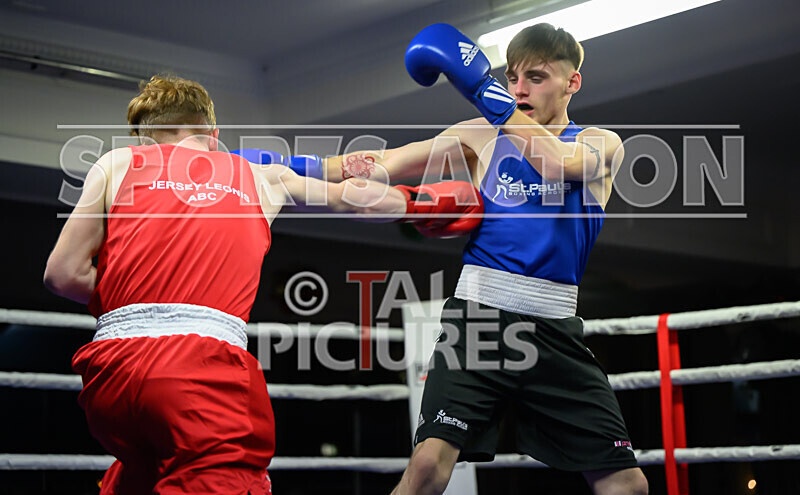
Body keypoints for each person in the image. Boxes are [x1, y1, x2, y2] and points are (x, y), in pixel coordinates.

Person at [245, 22, 646, 495]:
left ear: (571, 82)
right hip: (477, 321)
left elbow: (556, 162)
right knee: (428, 468)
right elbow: (384, 164)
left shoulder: (601, 142)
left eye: (536, 77)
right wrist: (274, 164)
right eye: (512, 78)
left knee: (625, 483)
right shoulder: (481, 135)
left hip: (556, 331)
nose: (519, 89)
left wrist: (482, 89)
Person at [43, 75, 482, 494]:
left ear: (143, 137)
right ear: (212, 132)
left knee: (139, 472)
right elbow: (356, 200)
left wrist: (135, 298)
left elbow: (62, 275)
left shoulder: (116, 163)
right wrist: (424, 201)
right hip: (198, 371)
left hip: (108, 377)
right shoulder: (257, 175)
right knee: (226, 478)